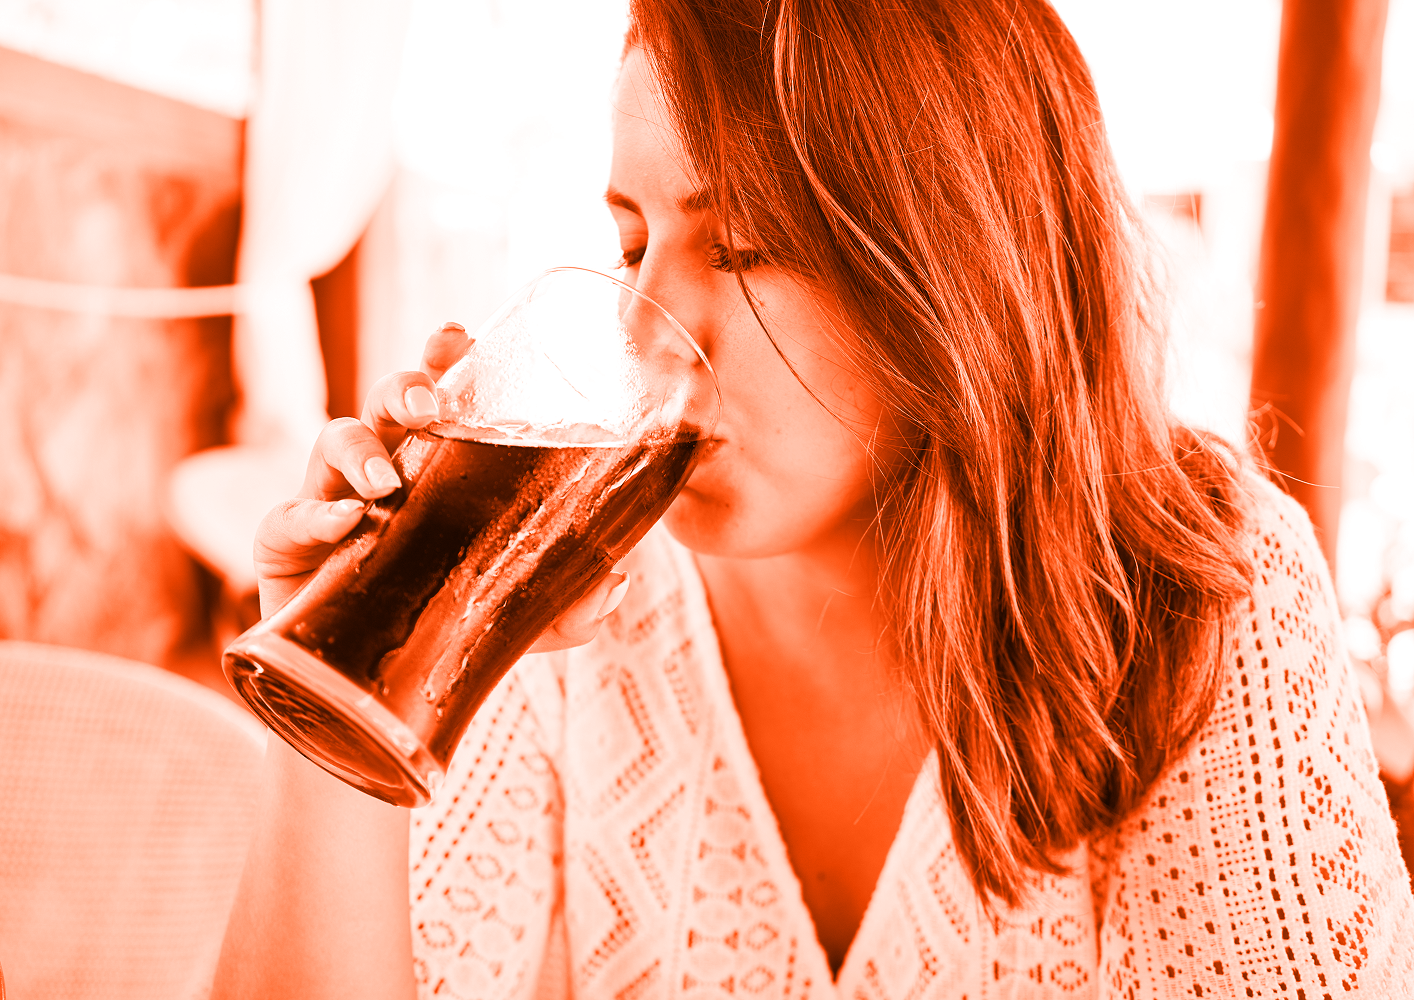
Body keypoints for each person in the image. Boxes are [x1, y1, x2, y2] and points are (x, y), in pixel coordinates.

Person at [213, 1, 1414, 996]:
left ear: (949, 272)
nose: (646, 329)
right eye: (632, 245)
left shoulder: (1203, 588)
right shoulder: (574, 597)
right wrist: (347, 678)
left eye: (739, 247)